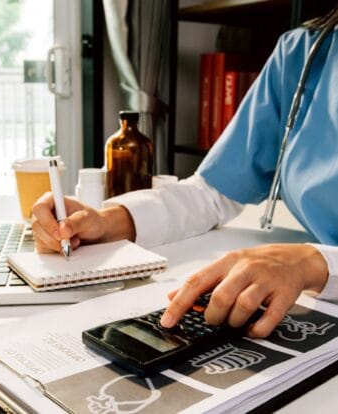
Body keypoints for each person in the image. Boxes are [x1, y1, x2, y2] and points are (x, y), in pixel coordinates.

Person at [32, 6, 338, 338]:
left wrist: (315, 263)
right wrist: (108, 221)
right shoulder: (304, 53)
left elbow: (314, 262)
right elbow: (212, 192)